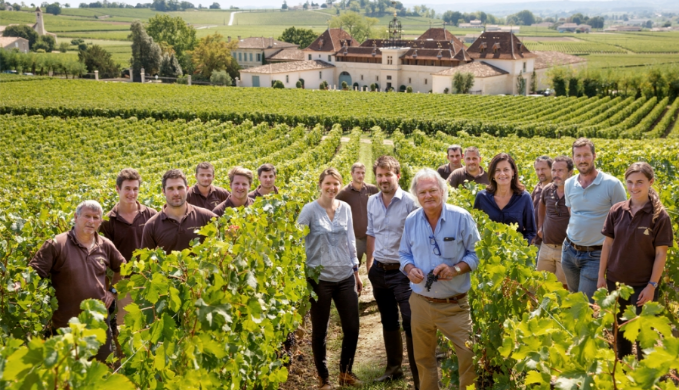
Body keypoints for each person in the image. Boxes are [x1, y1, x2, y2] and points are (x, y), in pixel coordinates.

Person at [399, 168, 480, 390]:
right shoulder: (411, 220)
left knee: (469, 358)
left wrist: (456, 269)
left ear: (442, 191)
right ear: (416, 195)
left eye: (433, 190)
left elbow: (477, 253)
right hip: (421, 303)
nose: (428, 196)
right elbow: (404, 254)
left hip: (454, 304)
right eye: (422, 192)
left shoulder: (461, 217)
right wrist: (409, 268)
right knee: (423, 360)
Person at [29, 200, 126, 362]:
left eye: (96, 217)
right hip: (65, 327)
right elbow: (33, 273)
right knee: (67, 379)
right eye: (87, 216)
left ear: (101, 221)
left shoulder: (105, 245)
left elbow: (123, 268)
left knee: (100, 373)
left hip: (99, 326)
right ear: (76, 217)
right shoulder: (56, 244)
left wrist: (113, 292)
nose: (91, 221)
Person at [597, 162, 673, 360]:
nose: (633, 187)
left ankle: (644, 379)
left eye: (639, 182)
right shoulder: (616, 210)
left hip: (642, 286)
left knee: (642, 338)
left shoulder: (659, 216)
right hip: (616, 282)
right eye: (629, 182)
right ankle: (623, 372)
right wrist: (601, 277)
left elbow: (661, 254)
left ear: (651, 182)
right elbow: (607, 245)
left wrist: (652, 286)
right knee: (621, 333)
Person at [297, 168, 363, 389]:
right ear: (320, 185)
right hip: (320, 279)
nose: (332, 188)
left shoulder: (345, 208)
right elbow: (296, 242)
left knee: (352, 327)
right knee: (320, 330)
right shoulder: (309, 211)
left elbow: (350, 240)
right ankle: (323, 378)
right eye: (328, 183)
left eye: (336, 184)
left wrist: (356, 272)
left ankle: (346, 372)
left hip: (344, 275)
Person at [365, 156, 419, 387]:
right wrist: (369, 264)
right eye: (379, 175)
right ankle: (394, 369)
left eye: (388, 174)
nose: (383, 179)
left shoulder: (410, 202)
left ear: (398, 176)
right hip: (379, 270)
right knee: (388, 319)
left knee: (410, 320)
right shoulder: (372, 201)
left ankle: (418, 375)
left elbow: (419, 236)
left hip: (403, 272)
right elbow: (371, 233)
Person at [562, 138, 626, 302]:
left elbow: (621, 222)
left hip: (595, 255)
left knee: (586, 305)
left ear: (594, 156)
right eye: (578, 156)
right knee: (574, 298)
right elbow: (573, 213)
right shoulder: (569, 183)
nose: (582, 160)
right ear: (573, 158)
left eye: (586, 155)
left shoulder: (612, 184)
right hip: (569, 250)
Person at [100, 168, 157, 326]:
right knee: (125, 326)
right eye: (127, 189)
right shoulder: (107, 222)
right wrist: (110, 290)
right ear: (117, 189)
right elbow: (103, 260)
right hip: (124, 283)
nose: (131, 193)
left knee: (150, 325)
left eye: (135, 189)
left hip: (149, 281)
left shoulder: (151, 215)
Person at [142, 169, 217, 253]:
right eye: (171, 188)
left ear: (187, 189)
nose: (176, 193)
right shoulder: (151, 226)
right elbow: (147, 262)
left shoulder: (207, 217)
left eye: (180, 188)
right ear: (163, 191)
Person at [473, 153, 537, 243]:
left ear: (513, 172)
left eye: (506, 169)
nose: (502, 174)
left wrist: (519, 248)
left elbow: (531, 232)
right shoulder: (482, 197)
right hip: (488, 253)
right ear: (492, 174)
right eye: (497, 170)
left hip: (515, 253)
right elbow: (475, 228)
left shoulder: (524, 198)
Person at [537, 156, 572, 287]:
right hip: (546, 246)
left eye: (560, 171)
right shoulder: (547, 189)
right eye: (554, 170)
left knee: (562, 287)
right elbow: (541, 207)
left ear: (570, 172)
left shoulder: (575, 190)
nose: (556, 174)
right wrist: (540, 227)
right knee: (541, 284)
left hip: (566, 249)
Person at [336, 162, 379, 265]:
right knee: (355, 265)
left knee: (376, 264)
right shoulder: (344, 193)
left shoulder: (372, 190)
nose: (361, 175)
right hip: (355, 238)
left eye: (363, 173)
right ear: (352, 173)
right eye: (358, 173)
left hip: (371, 236)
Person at [531, 156, 553, 249]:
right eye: (537, 169)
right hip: (536, 241)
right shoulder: (537, 188)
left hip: (550, 242)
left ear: (552, 169)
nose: (540, 172)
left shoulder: (558, 189)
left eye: (543, 169)